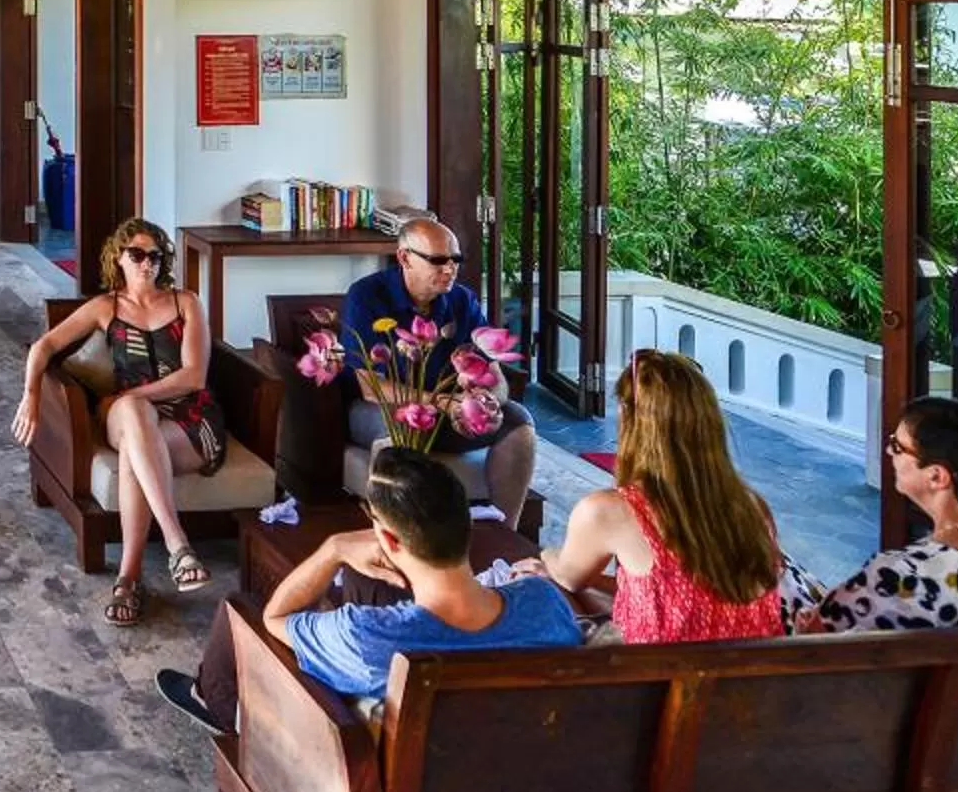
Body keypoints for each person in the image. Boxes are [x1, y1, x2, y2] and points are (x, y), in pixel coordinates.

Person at [11, 218, 228, 627]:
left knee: (134, 446)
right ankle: (178, 544)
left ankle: (128, 579)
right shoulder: (105, 307)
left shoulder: (186, 303)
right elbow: (44, 346)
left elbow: (193, 377)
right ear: (119, 258)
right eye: (138, 254)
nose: (147, 263)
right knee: (134, 416)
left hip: (189, 419)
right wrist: (31, 395)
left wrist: (132, 395)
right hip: (125, 416)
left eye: (155, 256)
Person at [261, 445, 582, 702]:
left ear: (388, 540)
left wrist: (334, 549)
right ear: (469, 522)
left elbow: (275, 617)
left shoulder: (366, 636)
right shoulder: (545, 603)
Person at [534, 352, 788, 643]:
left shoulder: (609, 511)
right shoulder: (751, 507)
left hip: (660, 671)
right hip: (753, 670)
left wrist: (545, 556)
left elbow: (568, 577)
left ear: (631, 421)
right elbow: (687, 593)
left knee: (544, 594)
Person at [337, 216, 537, 524]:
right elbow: (370, 387)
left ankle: (505, 531)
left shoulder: (462, 299)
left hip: (451, 410)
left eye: (455, 259)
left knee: (519, 422)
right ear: (404, 258)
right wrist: (444, 402)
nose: (450, 268)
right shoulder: (366, 296)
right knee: (401, 431)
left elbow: (494, 373)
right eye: (438, 260)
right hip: (383, 408)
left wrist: (488, 401)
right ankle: (399, 537)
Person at [805, 396, 958, 632]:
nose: (889, 452)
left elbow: (812, 637)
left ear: (936, 476)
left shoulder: (897, 576)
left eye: (897, 446)